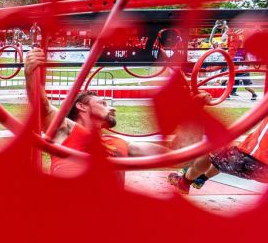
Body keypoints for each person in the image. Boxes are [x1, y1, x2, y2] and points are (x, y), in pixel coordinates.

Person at [23, 48, 168, 176]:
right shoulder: (66, 132)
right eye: (102, 103)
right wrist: (30, 74)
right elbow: (44, 109)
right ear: (82, 106)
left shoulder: (119, 143)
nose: (113, 108)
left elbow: (167, 156)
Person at [169, 104, 268, 193]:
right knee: (228, 154)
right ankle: (201, 178)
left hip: (248, 162)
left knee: (211, 146)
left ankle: (184, 182)